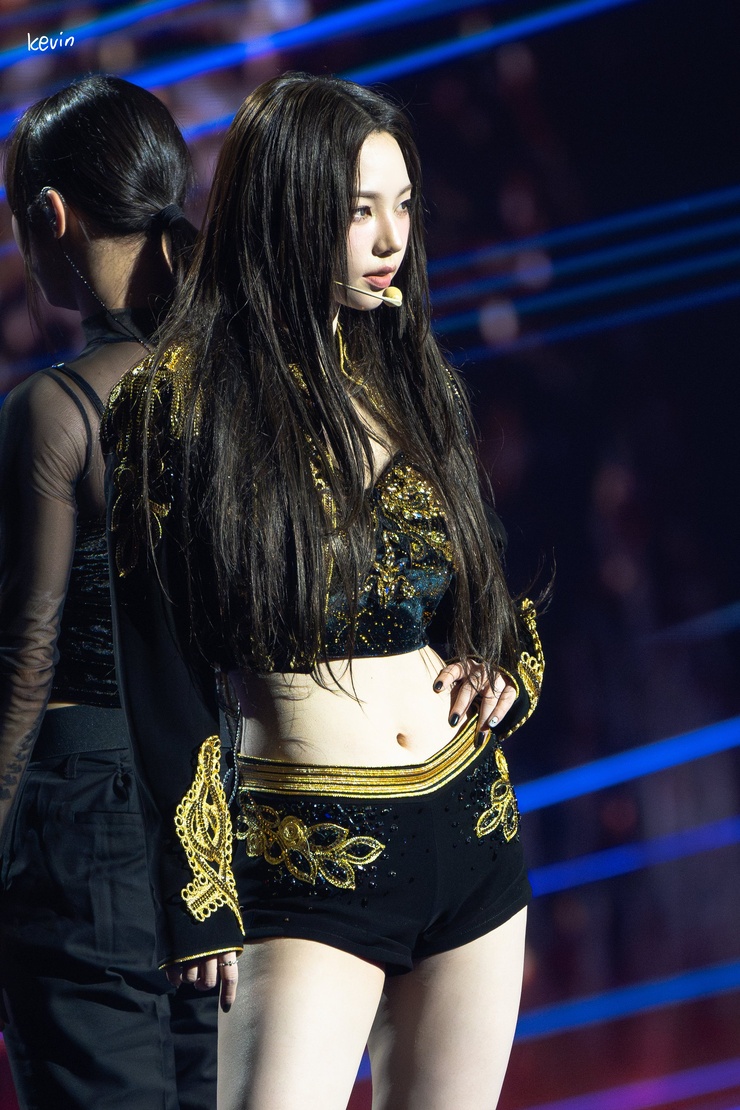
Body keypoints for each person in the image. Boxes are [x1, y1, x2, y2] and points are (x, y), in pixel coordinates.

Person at [103, 71, 544, 1110]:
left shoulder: (411, 372)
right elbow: (154, 668)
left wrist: (498, 664)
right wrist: (197, 894)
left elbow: (476, 585)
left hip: (471, 835)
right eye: (357, 211)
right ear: (287, 205)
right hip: (303, 863)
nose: (391, 240)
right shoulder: (177, 403)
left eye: (403, 207)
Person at [0, 75, 219, 1110]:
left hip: (83, 819)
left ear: (51, 216)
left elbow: (25, 660)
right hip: (225, 814)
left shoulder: (57, 411)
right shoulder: (245, 387)